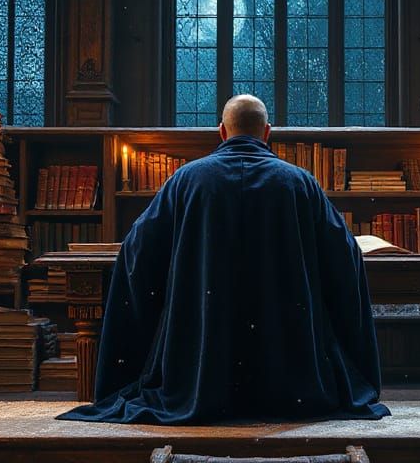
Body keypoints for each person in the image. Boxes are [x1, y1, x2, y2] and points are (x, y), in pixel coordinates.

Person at [59, 95, 389, 424]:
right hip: (290, 365)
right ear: (267, 132)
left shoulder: (186, 180)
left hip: (199, 365)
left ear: (221, 131)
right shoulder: (300, 182)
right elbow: (343, 255)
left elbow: (139, 249)